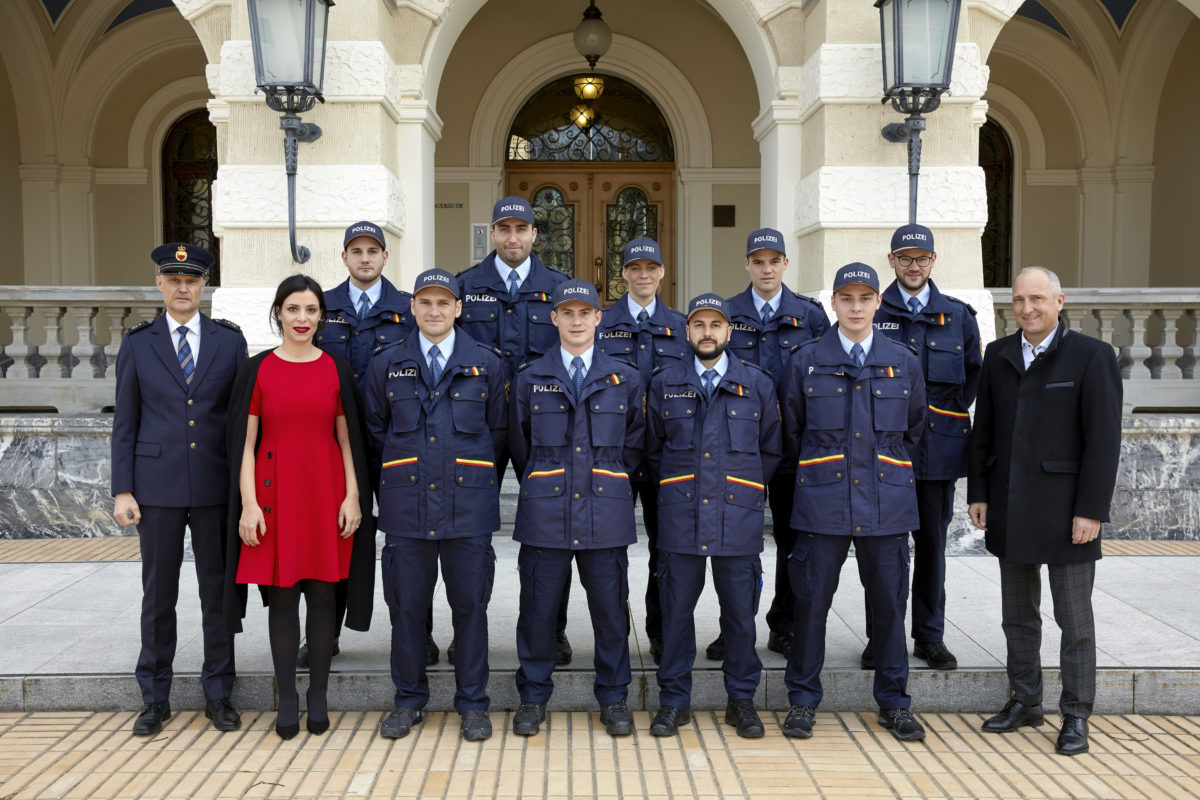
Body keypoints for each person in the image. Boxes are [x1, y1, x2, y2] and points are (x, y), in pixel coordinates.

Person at [968, 266, 1122, 757]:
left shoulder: (1092, 356)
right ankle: (1025, 700)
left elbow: (1104, 442)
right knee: (1018, 617)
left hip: (1067, 512)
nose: (1027, 308)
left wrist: (1091, 510)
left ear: (1059, 301)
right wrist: (979, 493)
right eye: (1018, 300)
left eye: (1036, 298)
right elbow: (984, 431)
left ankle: (1075, 714)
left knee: (1074, 622)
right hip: (1010, 505)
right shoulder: (998, 355)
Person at [780, 262, 928, 742]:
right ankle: (803, 701)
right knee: (810, 607)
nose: (856, 307)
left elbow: (914, 430)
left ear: (878, 302)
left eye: (865, 298)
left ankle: (894, 703)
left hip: (886, 505)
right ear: (834, 304)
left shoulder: (903, 361)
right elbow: (792, 432)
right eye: (847, 298)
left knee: (889, 608)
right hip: (822, 504)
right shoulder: (805, 361)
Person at [223, 275, 375, 740]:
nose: (302, 318)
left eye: (311, 310)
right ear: (279, 313)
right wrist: (249, 505)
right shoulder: (258, 369)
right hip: (274, 496)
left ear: (322, 316)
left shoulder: (335, 368)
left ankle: (318, 696)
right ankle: (287, 696)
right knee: (284, 596)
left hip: (326, 493)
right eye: (293, 309)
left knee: (325, 594)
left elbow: (348, 440)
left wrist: (353, 496)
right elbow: (245, 444)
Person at [364, 269, 508, 742]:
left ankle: (474, 704)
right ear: (412, 307)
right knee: (406, 609)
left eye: (444, 302)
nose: (434, 310)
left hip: (468, 509)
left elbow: (499, 433)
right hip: (407, 509)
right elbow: (375, 433)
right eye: (425, 302)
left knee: (471, 609)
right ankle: (408, 700)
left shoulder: (486, 363)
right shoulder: (387, 364)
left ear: (458, 308)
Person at [111, 243, 246, 736]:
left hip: (215, 486)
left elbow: (240, 421)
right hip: (156, 488)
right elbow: (125, 422)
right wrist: (122, 490)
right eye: (174, 279)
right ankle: (155, 698)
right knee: (158, 595)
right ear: (160, 284)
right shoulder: (138, 343)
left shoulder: (229, 341)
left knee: (218, 595)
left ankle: (219, 694)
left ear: (203, 285)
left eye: (191, 280)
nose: (183, 287)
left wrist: (245, 491)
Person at [508, 279, 645, 737]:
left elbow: (634, 445)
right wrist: (548, 481)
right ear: (554, 318)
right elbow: (521, 446)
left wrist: (606, 480)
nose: (576, 320)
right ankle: (532, 697)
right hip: (545, 514)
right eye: (567, 313)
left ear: (598, 318)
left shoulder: (625, 378)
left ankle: (614, 697)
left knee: (611, 613)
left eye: (585, 312)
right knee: (538, 612)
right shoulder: (531, 377)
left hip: (605, 513)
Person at [644, 293, 780, 738]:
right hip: (681, 517)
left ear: (729, 331)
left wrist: (741, 489)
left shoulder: (756, 383)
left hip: (736, 517)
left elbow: (770, 450)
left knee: (740, 617)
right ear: (687, 331)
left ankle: (741, 701)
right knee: (675, 615)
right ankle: (673, 701)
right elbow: (653, 450)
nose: (707, 333)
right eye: (699, 325)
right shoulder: (665, 383)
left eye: (715, 325)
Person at [456, 196, 573, 666]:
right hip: (478, 424)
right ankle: (468, 633)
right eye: (503, 229)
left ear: (534, 234)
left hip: (542, 425)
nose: (512, 237)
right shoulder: (465, 286)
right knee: (468, 533)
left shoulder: (559, 288)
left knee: (552, 529)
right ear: (493, 233)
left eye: (520, 229)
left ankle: (553, 631)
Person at [863, 224, 982, 671]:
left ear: (933, 261)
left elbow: (973, 375)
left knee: (932, 547)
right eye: (905, 258)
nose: (913, 266)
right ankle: (882, 638)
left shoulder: (958, 316)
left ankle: (930, 637)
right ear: (891, 260)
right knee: (884, 552)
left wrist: (941, 419)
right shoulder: (874, 308)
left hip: (937, 454)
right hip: (886, 452)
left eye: (922, 258)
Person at [714, 227, 829, 661]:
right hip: (739, 448)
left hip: (794, 447)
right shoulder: (726, 312)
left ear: (785, 264)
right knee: (735, 544)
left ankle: (785, 625)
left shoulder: (810, 316)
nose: (766, 269)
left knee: (792, 541)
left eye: (774, 261)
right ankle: (733, 629)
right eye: (758, 261)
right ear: (747, 264)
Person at [312, 222, 424, 665]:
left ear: (385, 257)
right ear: (344, 257)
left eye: (372, 251)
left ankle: (415, 634)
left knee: (409, 542)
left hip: (396, 439)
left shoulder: (407, 308)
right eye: (356, 251)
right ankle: (325, 633)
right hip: (335, 442)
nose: (364, 258)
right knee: (334, 537)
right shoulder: (322, 306)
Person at [595, 237, 689, 664]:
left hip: (666, 456)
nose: (644, 275)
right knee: (608, 550)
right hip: (615, 453)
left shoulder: (682, 326)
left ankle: (661, 631)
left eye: (651, 267)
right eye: (636, 268)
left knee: (665, 548)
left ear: (662, 272)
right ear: (624, 274)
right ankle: (613, 632)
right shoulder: (601, 324)